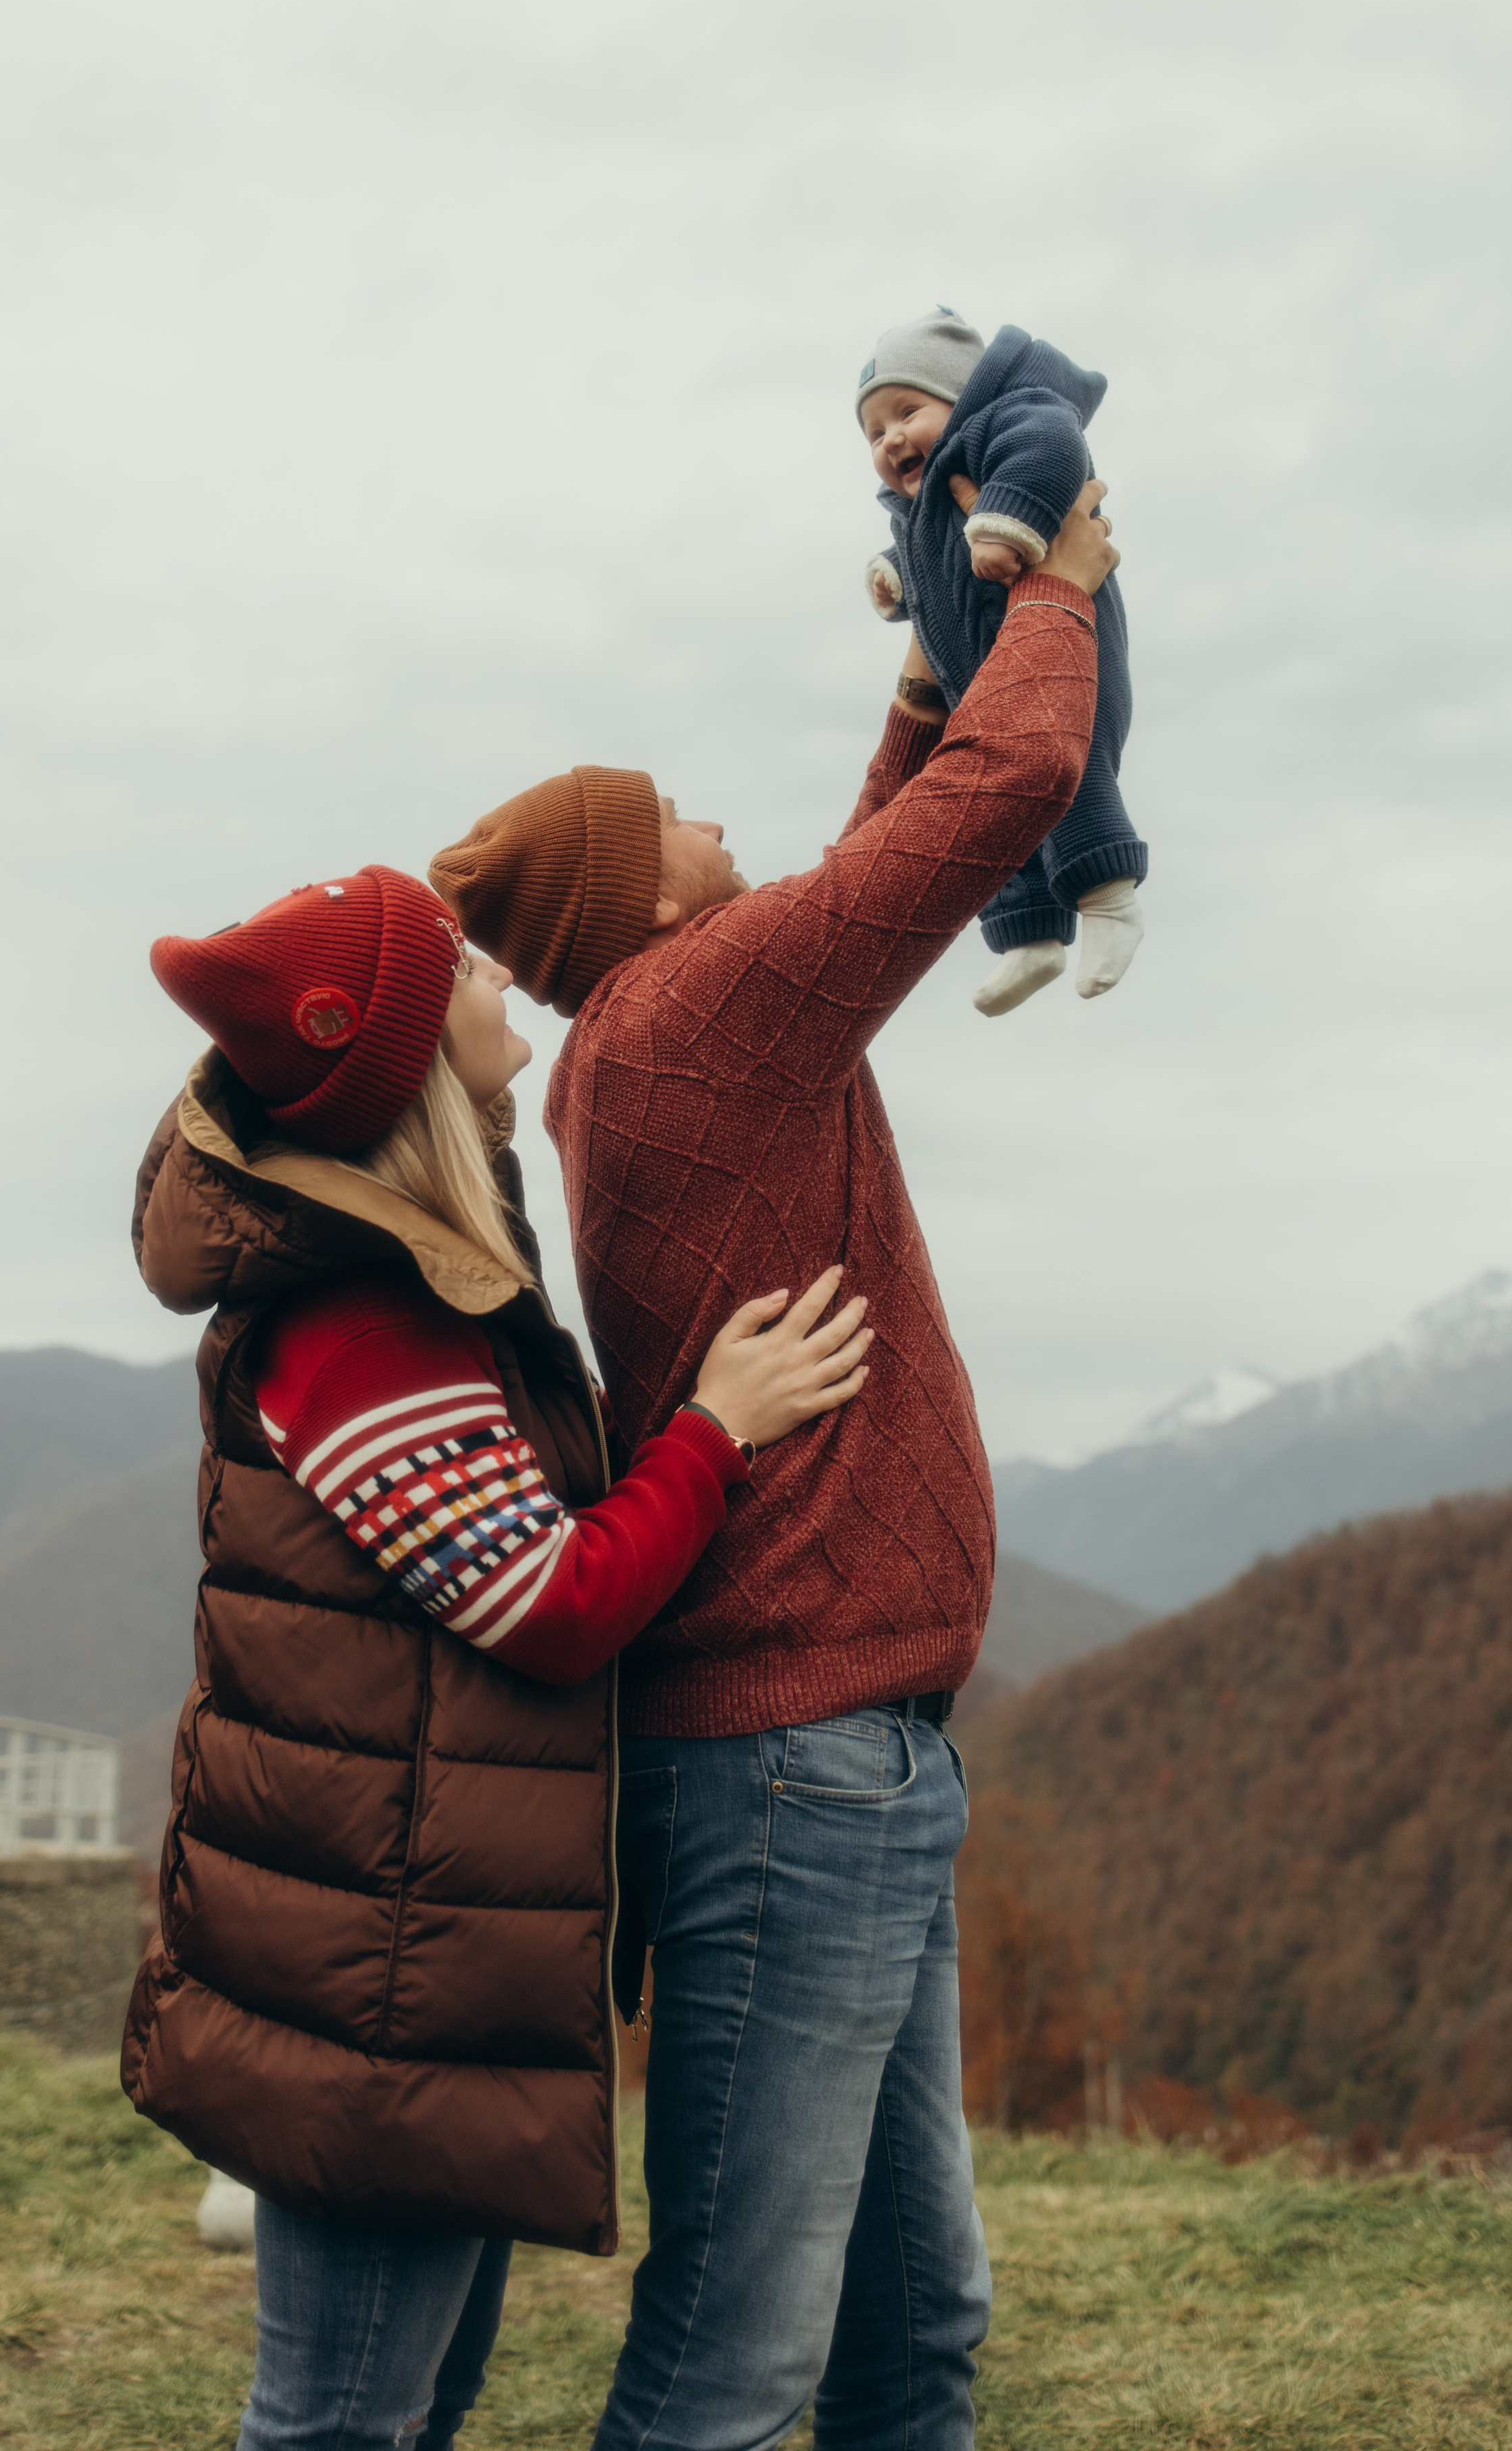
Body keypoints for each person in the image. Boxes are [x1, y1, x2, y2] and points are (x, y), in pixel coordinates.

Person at [427, 480, 1120, 2451]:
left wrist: (927, 662)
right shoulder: (696, 1024)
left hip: (841, 1760)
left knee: (917, 2331)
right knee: (736, 2360)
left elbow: (869, 849)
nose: (714, 816)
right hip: (795, 1770)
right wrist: (1057, 590)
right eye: (674, 813)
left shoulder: (662, 1025)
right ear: (639, 903)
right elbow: (1005, 796)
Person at [121, 860, 871, 2451]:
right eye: (458, 966)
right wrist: (715, 1437)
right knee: (342, 2417)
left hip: (406, 1955)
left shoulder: (412, 1279)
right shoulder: (363, 1328)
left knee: (400, 2402)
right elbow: (546, 1601)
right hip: (376, 1989)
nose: (492, 981)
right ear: (400, 1060)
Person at [860, 305, 1147, 1017]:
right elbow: (932, 560)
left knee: (1066, 773)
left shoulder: (1011, 418)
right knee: (992, 810)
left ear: (965, 395)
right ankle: (1029, 938)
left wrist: (1007, 522)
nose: (891, 438)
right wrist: (896, 577)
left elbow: (1052, 450)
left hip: (1067, 659)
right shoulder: (920, 507)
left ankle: (1110, 904)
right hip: (982, 689)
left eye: (906, 411)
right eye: (873, 432)